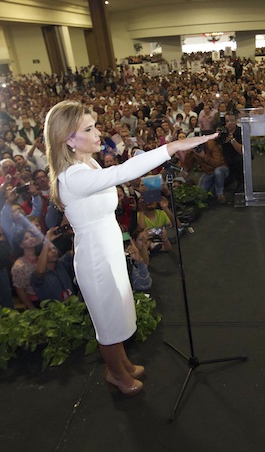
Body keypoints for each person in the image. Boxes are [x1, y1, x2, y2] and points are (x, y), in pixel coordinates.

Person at [45, 100, 216, 397]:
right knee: (108, 322)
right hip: (96, 258)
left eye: (95, 125)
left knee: (119, 310)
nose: (99, 133)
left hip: (109, 248)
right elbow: (122, 173)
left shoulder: (88, 163)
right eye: (89, 128)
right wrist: (172, 146)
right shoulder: (73, 177)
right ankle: (116, 374)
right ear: (68, 139)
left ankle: (122, 363)